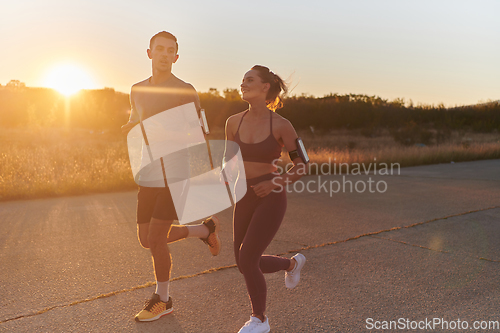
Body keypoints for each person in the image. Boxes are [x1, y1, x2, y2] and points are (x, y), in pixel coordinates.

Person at [121, 31, 221, 322]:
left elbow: (200, 134)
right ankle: (204, 231)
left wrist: (163, 132)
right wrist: (128, 128)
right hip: (148, 172)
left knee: (156, 238)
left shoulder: (185, 90)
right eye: (159, 49)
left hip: (176, 173)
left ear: (176, 57)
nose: (165, 54)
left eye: (170, 51)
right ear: (149, 53)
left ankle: (163, 299)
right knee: (146, 239)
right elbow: (134, 120)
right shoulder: (137, 89)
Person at [223, 65, 308, 333]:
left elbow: (303, 165)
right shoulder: (233, 122)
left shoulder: (282, 125)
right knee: (243, 261)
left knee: (248, 259)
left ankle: (259, 320)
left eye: (249, 80)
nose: (243, 84)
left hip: (271, 194)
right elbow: (229, 161)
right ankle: (291, 264)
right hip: (244, 194)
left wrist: (275, 181)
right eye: (242, 80)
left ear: (265, 88)